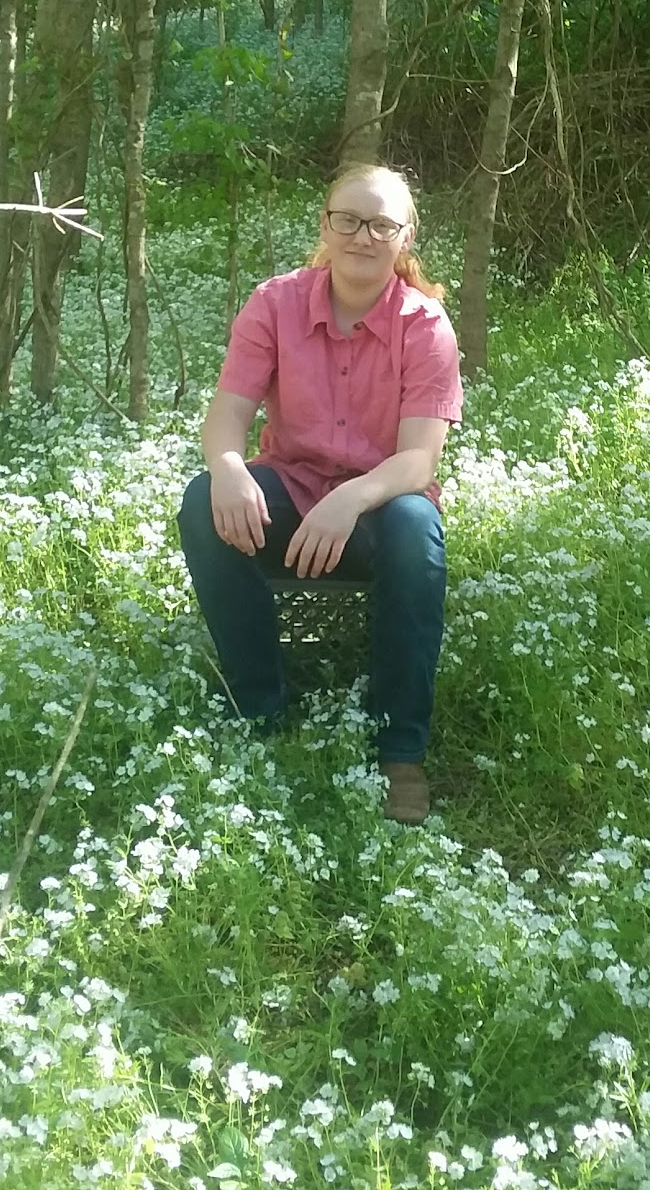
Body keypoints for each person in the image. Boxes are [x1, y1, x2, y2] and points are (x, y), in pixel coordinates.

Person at [178, 163, 463, 825]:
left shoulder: (426, 326)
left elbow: (418, 460)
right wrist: (227, 468)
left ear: (406, 236)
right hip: (291, 489)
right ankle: (260, 709)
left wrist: (352, 498)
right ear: (325, 226)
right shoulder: (274, 303)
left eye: (382, 224)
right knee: (202, 501)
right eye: (349, 219)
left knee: (415, 528)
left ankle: (398, 749)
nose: (363, 236)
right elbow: (226, 420)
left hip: (377, 513)